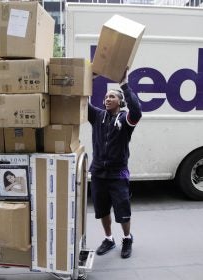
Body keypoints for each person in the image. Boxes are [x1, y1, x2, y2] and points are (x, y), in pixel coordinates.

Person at [88, 68, 142, 259]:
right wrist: (89, 79)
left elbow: (137, 110)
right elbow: (82, 102)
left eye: (112, 96)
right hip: (98, 173)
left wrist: (124, 84)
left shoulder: (126, 119)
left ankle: (127, 238)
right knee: (102, 209)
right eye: (106, 97)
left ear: (120, 101)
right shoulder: (97, 116)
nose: (107, 99)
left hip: (118, 173)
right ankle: (109, 239)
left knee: (122, 211)